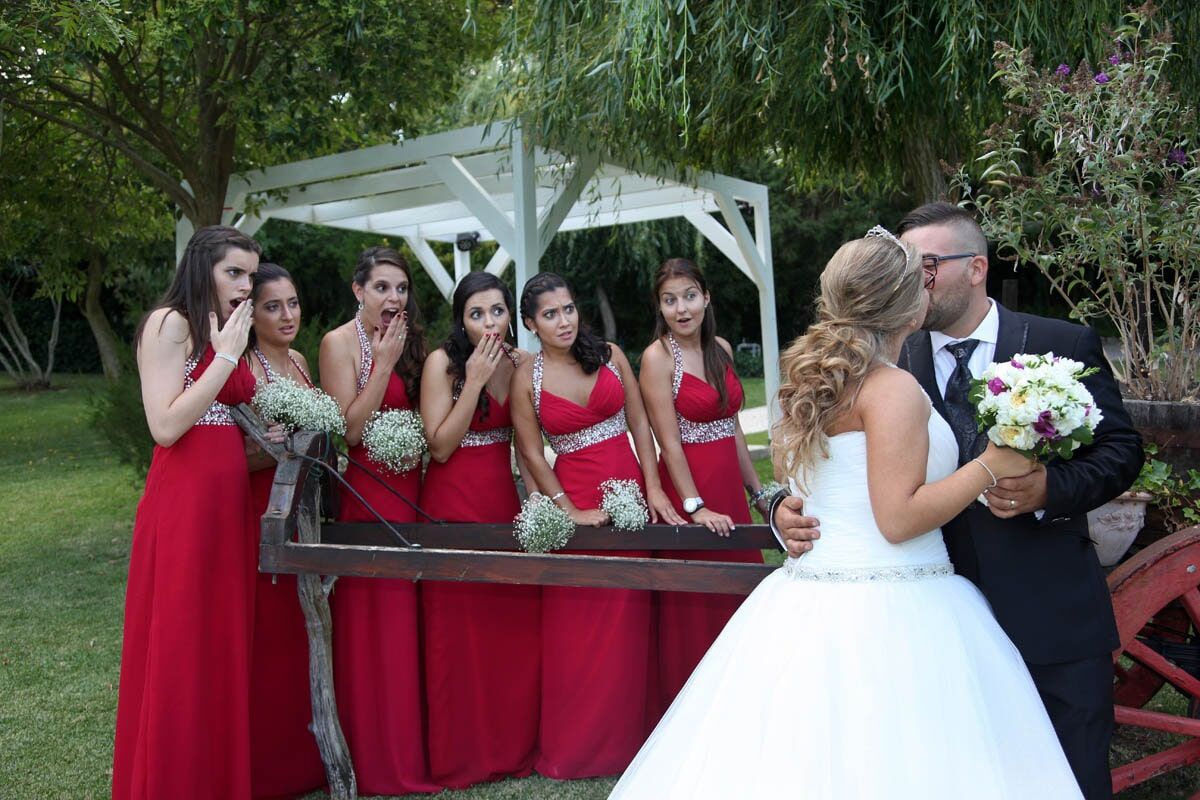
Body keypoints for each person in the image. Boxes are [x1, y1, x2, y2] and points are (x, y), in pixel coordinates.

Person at [610, 231, 1086, 799]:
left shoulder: (807, 379)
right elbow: (898, 519)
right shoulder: (893, 389)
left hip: (807, 596)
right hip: (900, 602)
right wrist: (990, 465)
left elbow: (809, 482)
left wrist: (785, 505)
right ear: (908, 306)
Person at [773, 203, 1142, 800]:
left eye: (929, 264)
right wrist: (781, 510)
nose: (922, 277)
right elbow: (835, 471)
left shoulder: (1059, 341)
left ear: (975, 268)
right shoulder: (887, 364)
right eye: (911, 267)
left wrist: (1049, 490)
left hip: (1047, 606)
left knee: (1067, 775)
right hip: (918, 618)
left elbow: (1122, 451)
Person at [510, 272, 680, 778]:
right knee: (580, 624)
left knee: (631, 611)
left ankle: (636, 739)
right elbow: (530, 453)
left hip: (627, 490)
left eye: (568, 309)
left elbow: (640, 423)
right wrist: (567, 510)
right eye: (549, 314)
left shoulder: (609, 355)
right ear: (530, 324)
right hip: (575, 498)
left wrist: (652, 488)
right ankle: (581, 745)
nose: (563, 321)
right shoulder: (528, 378)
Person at [113, 226, 262, 799]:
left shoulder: (220, 329)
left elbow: (225, 411)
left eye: (251, 273)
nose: (246, 284)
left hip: (228, 502)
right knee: (182, 644)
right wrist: (225, 358)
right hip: (185, 505)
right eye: (235, 272)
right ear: (202, 268)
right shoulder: (169, 323)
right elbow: (168, 425)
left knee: (219, 644)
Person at [317, 246, 436, 795]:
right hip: (368, 492)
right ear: (357, 290)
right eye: (383, 287)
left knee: (412, 612)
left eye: (402, 289)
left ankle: (417, 749)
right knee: (376, 616)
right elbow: (350, 430)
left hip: (414, 485)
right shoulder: (339, 343)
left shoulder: (413, 339)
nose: (394, 298)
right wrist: (382, 363)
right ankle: (378, 757)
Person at [418, 272, 540, 788]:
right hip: (450, 503)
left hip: (499, 500)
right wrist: (472, 378)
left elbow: (526, 443)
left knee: (507, 624)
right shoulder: (442, 364)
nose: (489, 322)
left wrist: (538, 502)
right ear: (461, 319)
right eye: (476, 313)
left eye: (497, 311)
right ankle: (460, 755)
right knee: (456, 635)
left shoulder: (519, 364)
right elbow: (440, 445)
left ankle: (513, 747)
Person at [637, 258, 765, 723]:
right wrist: (695, 507)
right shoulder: (657, 358)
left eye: (689, 295)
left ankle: (744, 700)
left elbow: (732, 428)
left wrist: (756, 491)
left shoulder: (722, 348)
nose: (681, 308)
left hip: (729, 489)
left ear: (706, 297)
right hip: (692, 487)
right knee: (697, 601)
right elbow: (667, 442)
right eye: (669, 300)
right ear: (660, 307)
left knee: (740, 595)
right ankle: (694, 712)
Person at [243, 262, 325, 798]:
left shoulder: (297, 361)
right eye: (273, 306)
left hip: (307, 503)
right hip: (261, 502)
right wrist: (270, 443)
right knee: (268, 631)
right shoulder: (243, 369)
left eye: (292, 303)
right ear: (250, 313)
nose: (288, 315)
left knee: (305, 627)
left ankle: (304, 761)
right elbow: (235, 449)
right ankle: (266, 767)